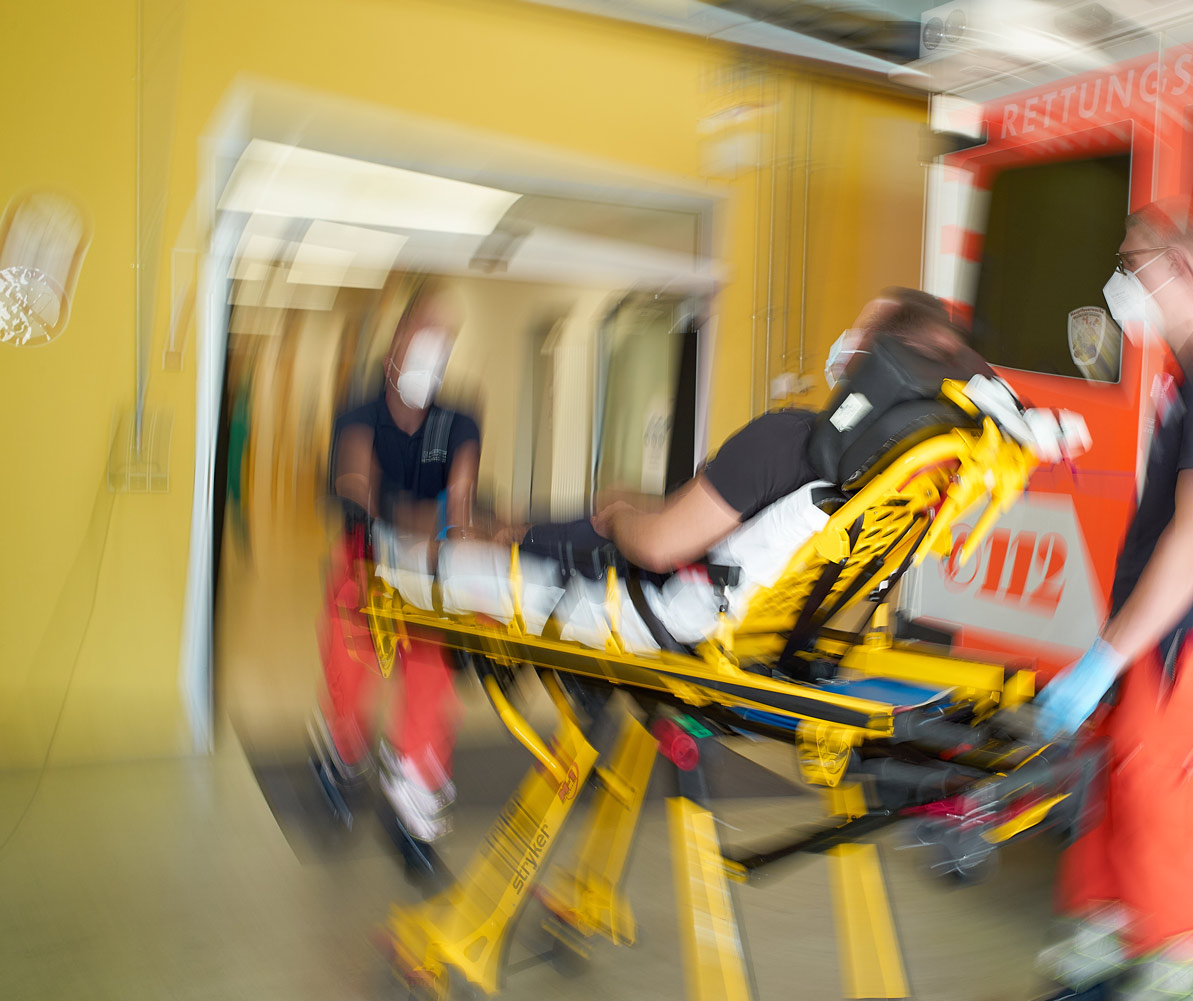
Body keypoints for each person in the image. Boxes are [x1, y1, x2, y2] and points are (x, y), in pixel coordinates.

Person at [996, 197, 1193, 1001]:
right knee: (1117, 818)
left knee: (1168, 828)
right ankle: (1085, 992)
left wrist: (1105, 656)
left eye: (1133, 266)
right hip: (1157, 641)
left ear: (1183, 273)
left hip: (1184, 643)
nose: (1120, 284)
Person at [503, 288, 991, 576]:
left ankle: (497, 536)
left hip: (657, 576)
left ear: (877, 361)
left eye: (858, 331)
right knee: (618, 496)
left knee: (551, 525)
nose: (846, 340)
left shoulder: (786, 440)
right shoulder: (890, 475)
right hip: (739, 573)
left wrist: (618, 520)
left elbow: (657, 547)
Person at [312, 278, 481, 850]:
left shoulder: (459, 421)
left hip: (428, 569)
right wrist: (414, 517)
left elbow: (460, 501)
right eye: (426, 333)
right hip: (363, 557)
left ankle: (415, 770)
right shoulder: (359, 412)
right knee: (349, 654)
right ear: (397, 342)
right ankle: (344, 740)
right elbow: (355, 486)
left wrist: (441, 527)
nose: (435, 348)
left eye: (446, 338)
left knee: (433, 662)